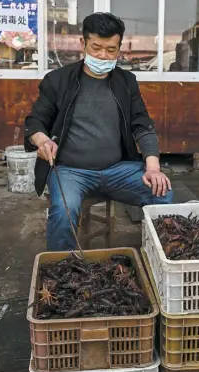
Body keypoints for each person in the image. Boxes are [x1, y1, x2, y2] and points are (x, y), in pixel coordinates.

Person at [24, 12, 174, 251]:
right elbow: (35, 121)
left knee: (162, 192)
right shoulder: (58, 80)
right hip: (70, 171)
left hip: (117, 170)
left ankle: (161, 259)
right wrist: (41, 141)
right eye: (96, 48)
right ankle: (61, 271)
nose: (103, 55)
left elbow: (142, 124)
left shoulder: (126, 82)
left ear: (119, 47)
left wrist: (153, 167)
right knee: (64, 211)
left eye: (111, 49)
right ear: (82, 44)